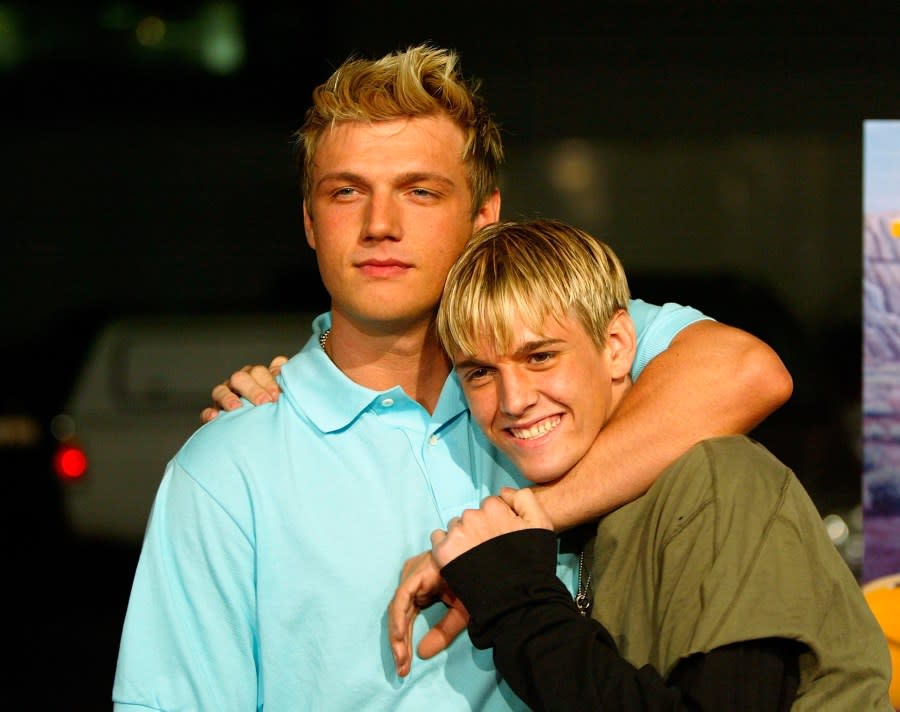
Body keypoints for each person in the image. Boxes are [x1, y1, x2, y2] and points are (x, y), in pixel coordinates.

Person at [113, 45, 792, 710]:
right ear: (310, 222)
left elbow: (747, 371)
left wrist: (517, 524)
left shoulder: (557, 361)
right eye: (347, 192)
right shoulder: (229, 468)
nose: (380, 225)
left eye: (419, 191)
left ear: (484, 218)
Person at [386, 218, 893, 711]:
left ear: (616, 347)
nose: (514, 399)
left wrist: (515, 598)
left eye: (540, 357)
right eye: (479, 372)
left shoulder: (717, 480)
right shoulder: (594, 514)